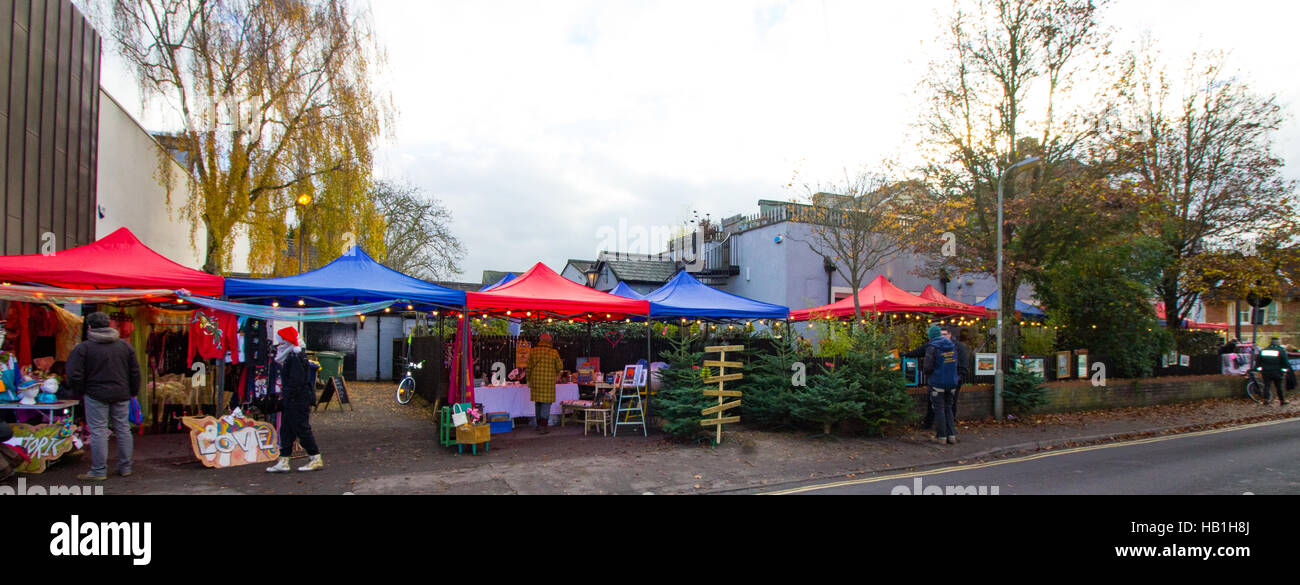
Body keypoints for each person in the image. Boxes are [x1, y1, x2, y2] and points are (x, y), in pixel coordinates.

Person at [66, 311, 140, 480]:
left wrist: (80, 390)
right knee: (123, 429)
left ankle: (99, 471)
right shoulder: (124, 346)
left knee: (98, 431)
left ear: (89, 327)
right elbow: (134, 372)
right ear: (110, 325)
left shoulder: (83, 348)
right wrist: (133, 391)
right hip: (121, 392)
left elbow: (73, 374)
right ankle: (125, 467)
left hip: (95, 394)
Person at [266, 327, 323, 472]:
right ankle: (284, 460)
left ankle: (315, 457)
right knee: (287, 429)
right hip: (294, 398)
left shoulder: (295, 357)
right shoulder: (293, 355)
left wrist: (289, 396)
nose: (279, 345)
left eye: (281, 341)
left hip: (297, 399)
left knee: (301, 428)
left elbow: (296, 381)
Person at [922, 325, 959, 444]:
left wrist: (929, 375)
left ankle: (941, 436)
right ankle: (951, 435)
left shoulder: (933, 347)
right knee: (948, 408)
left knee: (939, 409)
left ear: (930, 336)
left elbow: (927, 366)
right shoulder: (952, 346)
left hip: (938, 382)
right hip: (952, 382)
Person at [526, 333, 563, 434]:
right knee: (546, 404)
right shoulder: (554, 352)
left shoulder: (533, 351)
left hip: (536, 381)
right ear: (550, 341)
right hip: (548, 382)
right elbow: (560, 367)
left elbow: (528, 368)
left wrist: (528, 380)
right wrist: (557, 377)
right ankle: (543, 426)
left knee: (537, 403)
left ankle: (538, 425)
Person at [945, 326, 973, 424]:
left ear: (950, 334)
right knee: (949, 402)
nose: (943, 337)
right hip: (950, 378)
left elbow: (963, 364)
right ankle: (949, 426)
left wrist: (959, 377)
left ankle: (949, 425)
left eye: (945, 334)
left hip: (955, 378)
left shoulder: (956, 347)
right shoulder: (952, 346)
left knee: (951, 402)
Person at [1255, 337, 1291, 406]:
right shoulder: (1281, 351)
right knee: (1279, 386)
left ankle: (1266, 400)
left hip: (1266, 372)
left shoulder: (1263, 350)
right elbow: (1285, 362)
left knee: (1266, 386)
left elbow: (1258, 362)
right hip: (1277, 372)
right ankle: (1282, 400)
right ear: (1277, 342)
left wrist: (1259, 370)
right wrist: (1284, 371)